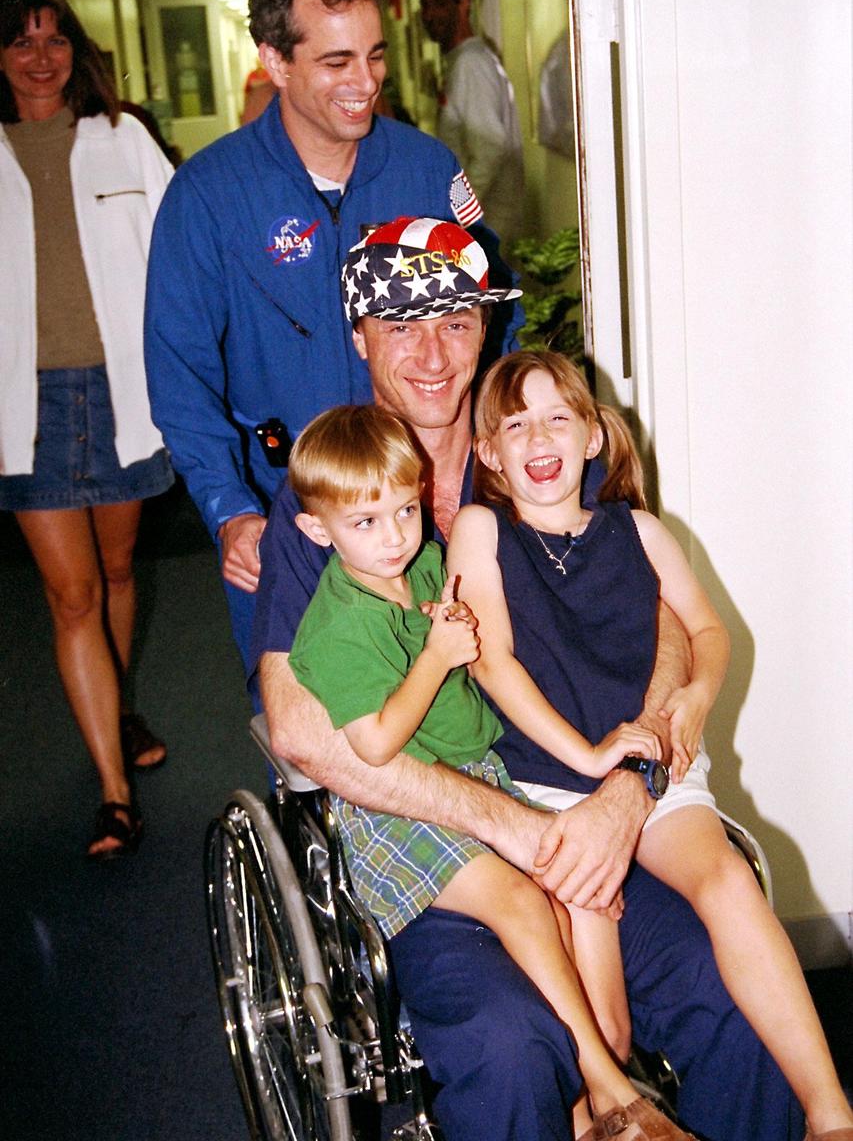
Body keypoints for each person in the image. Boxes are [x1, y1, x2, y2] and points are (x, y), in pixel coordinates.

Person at [253, 217, 803, 1141]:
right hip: (451, 839)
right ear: (361, 340)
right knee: (512, 1049)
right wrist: (513, 827)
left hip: (584, 806)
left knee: (728, 987)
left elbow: (660, 619)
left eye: (456, 322)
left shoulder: (527, 456)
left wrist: (628, 787)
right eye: (401, 328)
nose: (432, 354)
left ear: (485, 330)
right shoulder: (333, 490)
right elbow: (304, 733)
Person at [447, 348, 853, 1141]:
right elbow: (490, 659)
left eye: (558, 418)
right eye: (515, 424)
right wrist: (587, 757)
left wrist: (696, 696)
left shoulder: (636, 529)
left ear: (593, 436)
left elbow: (706, 629)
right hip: (543, 785)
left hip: (650, 769)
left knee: (727, 881)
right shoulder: (480, 530)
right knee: (607, 1026)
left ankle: (829, 1111)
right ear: (489, 454)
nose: (539, 438)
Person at [287, 400, 690, 1141]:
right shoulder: (341, 623)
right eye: (364, 523)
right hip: (398, 811)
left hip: (482, 772)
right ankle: (610, 1089)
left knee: (579, 892)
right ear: (318, 530)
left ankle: (588, 1097)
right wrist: (437, 659)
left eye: (405, 511)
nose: (394, 537)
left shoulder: (429, 565)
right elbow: (374, 746)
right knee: (521, 899)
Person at [144, 0, 520, 668]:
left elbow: (494, 313)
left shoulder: (424, 168)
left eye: (374, 56)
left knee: (458, 697)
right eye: (336, 62)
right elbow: (179, 373)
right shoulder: (208, 196)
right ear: (275, 62)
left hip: (422, 506)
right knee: (310, 723)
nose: (365, 83)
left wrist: (491, 448)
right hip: (292, 509)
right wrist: (230, 510)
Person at [0, 0, 174, 858]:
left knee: (113, 572)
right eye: (22, 41)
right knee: (69, 597)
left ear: (77, 50)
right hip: (22, 405)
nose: (40, 57)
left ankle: (119, 695)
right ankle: (113, 790)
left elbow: (177, 252)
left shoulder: (122, 139)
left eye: (54, 38)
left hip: (122, 392)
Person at [418, 0, 524, 242]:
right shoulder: (462, 60)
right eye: (425, 6)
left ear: (464, 4)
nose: (430, 15)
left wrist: (456, 216)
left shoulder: (470, 63)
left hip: (485, 223)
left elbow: (489, 148)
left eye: (440, 4)